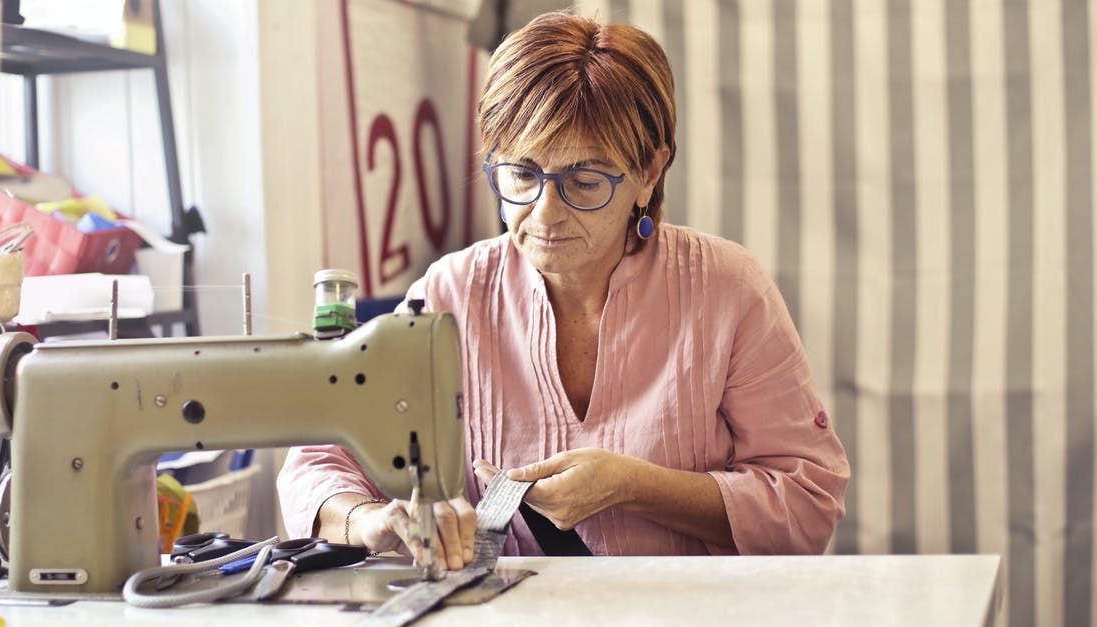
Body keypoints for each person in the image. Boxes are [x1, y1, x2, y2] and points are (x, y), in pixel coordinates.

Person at [277, 11, 849, 571]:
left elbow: (808, 503)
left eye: (584, 181)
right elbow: (316, 461)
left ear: (649, 171)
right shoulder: (450, 292)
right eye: (522, 175)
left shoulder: (726, 290)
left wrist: (637, 486)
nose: (544, 214)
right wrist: (368, 521)